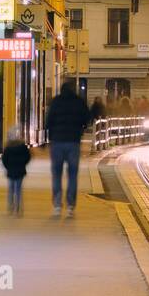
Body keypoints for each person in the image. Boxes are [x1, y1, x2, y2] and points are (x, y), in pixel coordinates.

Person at [45, 79, 91, 218]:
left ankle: (57, 206)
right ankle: (71, 206)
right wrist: (80, 127)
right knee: (72, 175)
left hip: (57, 142)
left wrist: (51, 135)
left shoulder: (56, 101)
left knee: (57, 174)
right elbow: (87, 119)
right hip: (73, 142)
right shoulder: (79, 101)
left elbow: (48, 121)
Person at [1, 129, 32, 216]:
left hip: (11, 171)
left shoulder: (7, 147)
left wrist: (8, 167)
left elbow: (4, 159)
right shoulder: (23, 146)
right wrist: (23, 164)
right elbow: (28, 157)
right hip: (20, 170)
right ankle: (18, 208)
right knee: (18, 189)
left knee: (11, 189)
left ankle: (10, 207)